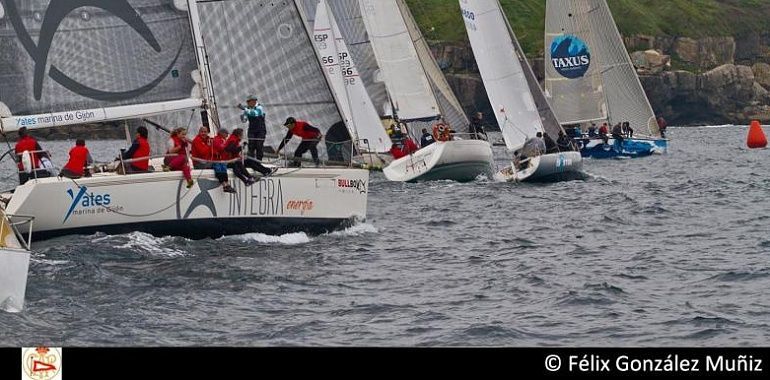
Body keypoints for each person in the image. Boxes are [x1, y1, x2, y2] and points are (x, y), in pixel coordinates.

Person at [239, 95, 267, 161]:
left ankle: (259, 161)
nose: (248, 103)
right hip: (251, 130)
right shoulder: (248, 109)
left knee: (259, 145)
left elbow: (255, 113)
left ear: (254, 101)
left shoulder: (259, 107)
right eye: (247, 102)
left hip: (260, 130)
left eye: (249, 101)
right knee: (251, 145)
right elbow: (244, 120)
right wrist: (243, 117)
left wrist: (244, 109)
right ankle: (251, 162)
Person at [211, 128, 237, 193]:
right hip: (216, 159)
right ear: (221, 133)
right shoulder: (217, 140)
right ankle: (224, 184)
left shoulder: (223, 140)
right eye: (226, 134)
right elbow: (221, 148)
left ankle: (226, 184)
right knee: (219, 169)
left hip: (222, 160)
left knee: (223, 169)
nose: (227, 135)